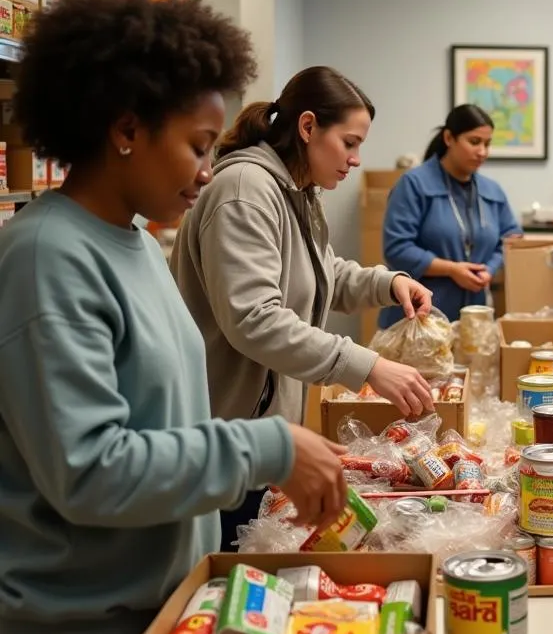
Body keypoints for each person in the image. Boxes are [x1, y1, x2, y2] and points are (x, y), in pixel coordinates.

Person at [0, 0, 349, 634]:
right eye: (196, 145)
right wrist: (267, 447)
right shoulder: (48, 259)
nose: (209, 168)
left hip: (150, 629)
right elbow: (90, 469)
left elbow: (169, 423)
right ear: (124, 130)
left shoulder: (133, 243)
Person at [171, 66, 435, 550]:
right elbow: (255, 319)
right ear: (308, 127)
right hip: (227, 436)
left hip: (264, 435)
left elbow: (320, 274)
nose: (355, 159)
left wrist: (387, 281)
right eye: (349, 143)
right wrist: (367, 365)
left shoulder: (297, 190)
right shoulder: (245, 190)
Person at [380, 104, 521, 328]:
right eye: (475, 142)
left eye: (487, 144)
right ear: (449, 138)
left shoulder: (492, 191)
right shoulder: (414, 184)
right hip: (418, 319)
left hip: (473, 320)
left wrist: (490, 269)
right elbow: (397, 248)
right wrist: (451, 270)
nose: (483, 151)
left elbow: (512, 239)